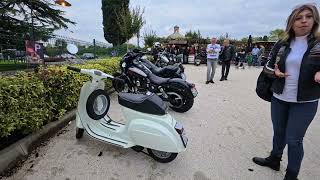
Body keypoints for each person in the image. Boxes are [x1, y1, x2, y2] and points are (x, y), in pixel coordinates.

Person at [252, 3, 320, 180]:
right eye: (299, 17)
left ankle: (291, 175)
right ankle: (274, 159)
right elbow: (266, 66)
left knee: (294, 140)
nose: (304, 21)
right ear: (292, 22)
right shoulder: (282, 43)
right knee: (279, 133)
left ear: (315, 20)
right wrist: (274, 72)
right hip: (280, 96)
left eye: (308, 16)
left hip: (305, 101)